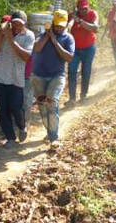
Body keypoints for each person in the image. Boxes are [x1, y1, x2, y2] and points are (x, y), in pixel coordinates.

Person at [0, 11, 35, 148]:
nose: (16, 26)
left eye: (19, 24)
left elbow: (26, 57)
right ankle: (10, 137)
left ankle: (22, 127)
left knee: (16, 107)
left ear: (24, 24)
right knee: (2, 110)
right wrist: (1, 33)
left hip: (16, 78)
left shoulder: (29, 36)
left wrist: (10, 39)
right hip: (0, 76)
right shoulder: (4, 33)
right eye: (14, 23)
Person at [31, 9, 75, 144]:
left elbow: (69, 57)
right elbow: (36, 49)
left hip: (57, 76)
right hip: (39, 76)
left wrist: (55, 42)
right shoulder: (42, 35)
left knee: (52, 102)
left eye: (62, 25)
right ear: (53, 23)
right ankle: (50, 132)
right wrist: (47, 36)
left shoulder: (68, 38)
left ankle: (54, 137)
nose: (60, 28)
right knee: (42, 105)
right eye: (57, 25)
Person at [66, 0, 99, 107]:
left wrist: (80, 21)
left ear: (88, 7)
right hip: (74, 49)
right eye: (81, 9)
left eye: (85, 8)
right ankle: (72, 98)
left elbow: (95, 28)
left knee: (86, 71)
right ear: (77, 8)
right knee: (71, 72)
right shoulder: (71, 16)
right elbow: (66, 28)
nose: (84, 11)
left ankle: (83, 95)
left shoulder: (93, 14)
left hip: (89, 48)